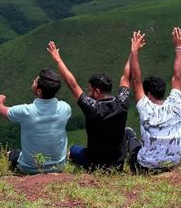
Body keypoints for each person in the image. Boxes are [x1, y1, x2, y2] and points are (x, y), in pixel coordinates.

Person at [47, 40, 130, 171]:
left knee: (74, 150)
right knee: (127, 131)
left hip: (94, 163)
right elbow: (126, 77)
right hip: (117, 164)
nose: (88, 92)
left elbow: (72, 85)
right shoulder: (122, 103)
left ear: (97, 91)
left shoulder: (93, 108)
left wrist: (58, 60)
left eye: (90, 90)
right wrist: (133, 52)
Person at [126, 28, 181, 173]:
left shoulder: (145, 107)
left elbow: (135, 79)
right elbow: (178, 77)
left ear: (147, 94)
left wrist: (134, 51)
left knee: (129, 137)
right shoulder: (175, 104)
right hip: (177, 162)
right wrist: (179, 47)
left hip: (148, 166)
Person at [0, 68, 71, 174]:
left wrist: (0, 100)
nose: (33, 81)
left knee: (11, 154)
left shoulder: (26, 112)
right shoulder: (65, 108)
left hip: (30, 168)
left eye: (35, 81)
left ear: (39, 91)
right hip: (58, 166)